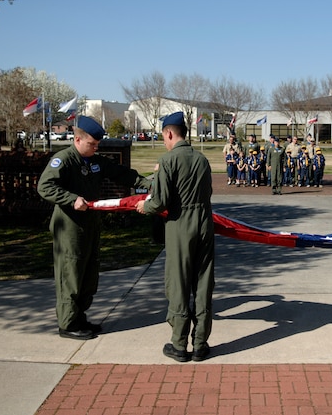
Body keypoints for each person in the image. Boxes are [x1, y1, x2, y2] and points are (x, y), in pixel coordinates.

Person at [37, 116, 150, 340]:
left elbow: (123, 175)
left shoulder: (95, 161)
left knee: (88, 273)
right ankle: (68, 324)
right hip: (69, 227)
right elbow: (44, 186)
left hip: (89, 224)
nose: (96, 147)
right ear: (78, 140)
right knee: (71, 274)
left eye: (97, 144)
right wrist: (70, 199)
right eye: (92, 144)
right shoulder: (64, 160)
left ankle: (80, 317)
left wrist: (150, 184)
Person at [135, 111, 214, 362]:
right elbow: (208, 191)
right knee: (203, 282)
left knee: (178, 282)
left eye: (164, 137)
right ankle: (201, 343)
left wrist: (144, 207)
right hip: (204, 223)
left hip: (180, 224)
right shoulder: (202, 159)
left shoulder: (168, 160)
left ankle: (179, 344)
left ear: (169, 133)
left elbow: (160, 201)